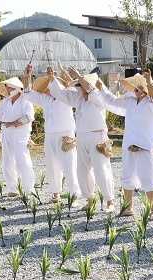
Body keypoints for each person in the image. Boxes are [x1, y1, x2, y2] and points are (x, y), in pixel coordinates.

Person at [48, 68, 115, 212]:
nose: (79, 89)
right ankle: (90, 199)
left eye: (80, 86)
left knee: (101, 170)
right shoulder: (78, 99)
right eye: (78, 86)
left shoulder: (98, 97)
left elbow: (91, 89)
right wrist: (52, 79)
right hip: (82, 138)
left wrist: (79, 76)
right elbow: (60, 94)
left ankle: (110, 201)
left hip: (98, 138)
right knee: (82, 172)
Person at [99, 69, 153, 219]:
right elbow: (112, 101)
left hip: (145, 146)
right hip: (129, 144)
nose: (137, 91)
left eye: (140, 88)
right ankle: (128, 208)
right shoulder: (130, 101)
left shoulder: (152, 104)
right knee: (127, 177)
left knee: (148, 177)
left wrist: (150, 81)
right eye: (135, 88)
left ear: (146, 89)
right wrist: (101, 88)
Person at [22, 64, 81, 204]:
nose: (49, 87)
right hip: (50, 135)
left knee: (69, 165)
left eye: (52, 84)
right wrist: (28, 76)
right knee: (52, 165)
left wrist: (53, 77)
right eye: (49, 85)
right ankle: (55, 193)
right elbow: (28, 94)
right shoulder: (45, 99)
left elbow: (66, 88)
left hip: (66, 135)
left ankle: (74, 194)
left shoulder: (68, 95)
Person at [0, 77, 35, 196]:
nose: (8, 89)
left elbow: (29, 117)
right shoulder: (4, 102)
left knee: (23, 161)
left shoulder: (26, 100)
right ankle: (12, 189)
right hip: (6, 135)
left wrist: (12, 123)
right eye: (7, 87)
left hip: (21, 135)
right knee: (7, 162)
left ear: (17, 89)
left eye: (10, 87)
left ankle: (29, 190)